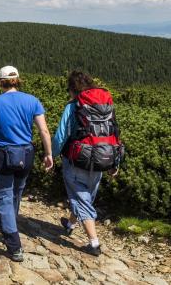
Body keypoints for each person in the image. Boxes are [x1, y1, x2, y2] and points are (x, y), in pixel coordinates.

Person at [0, 66, 53, 262]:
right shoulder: (33, 100)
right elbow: (44, 131)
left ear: (0, 81)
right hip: (26, 154)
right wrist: (48, 154)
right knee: (17, 191)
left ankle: (14, 245)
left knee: (4, 195)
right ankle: (9, 223)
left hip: (3, 156)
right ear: (18, 80)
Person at [52, 71, 121, 257]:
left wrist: (50, 154)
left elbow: (61, 136)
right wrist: (115, 162)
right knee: (85, 195)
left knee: (81, 197)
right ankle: (70, 224)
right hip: (101, 158)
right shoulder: (105, 106)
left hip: (77, 159)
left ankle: (94, 243)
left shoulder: (73, 106)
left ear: (72, 89)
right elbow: (114, 133)